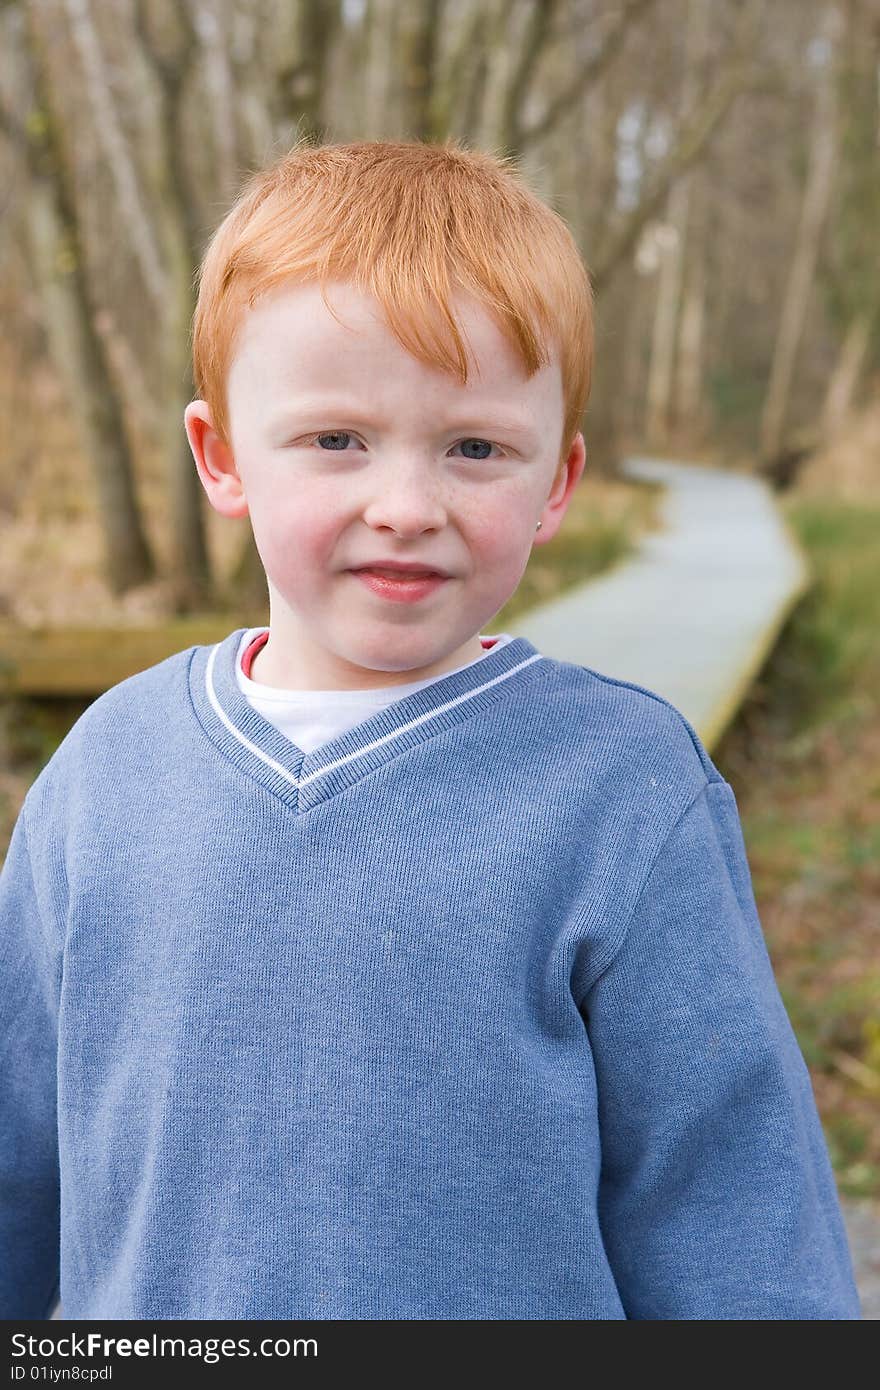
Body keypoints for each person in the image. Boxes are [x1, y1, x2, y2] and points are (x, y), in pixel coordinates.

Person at [0, 139, 861, 1321]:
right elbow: (20, 1179)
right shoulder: (105, 774)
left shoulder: (622, 791)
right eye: (335, 440)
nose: (405, 508)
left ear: (555, 482)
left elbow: (731, 1215)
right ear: (220, 456)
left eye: (474, 449)